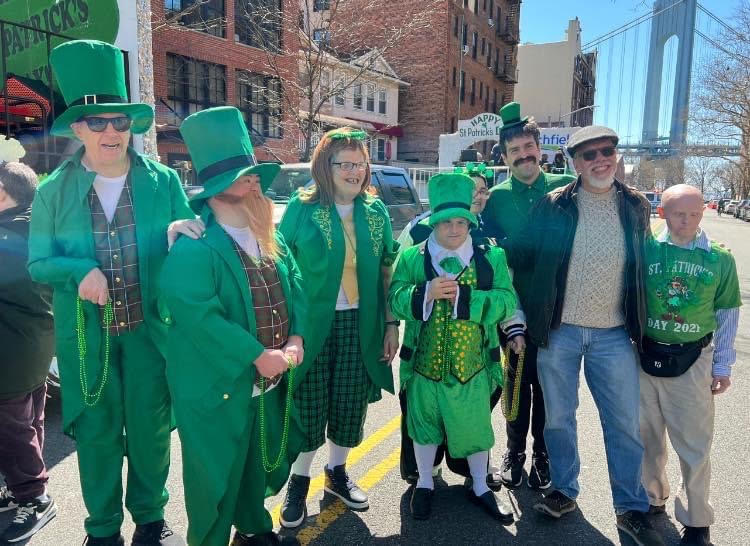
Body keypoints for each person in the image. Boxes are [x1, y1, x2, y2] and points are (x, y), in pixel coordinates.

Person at [27, 40, 202, 546]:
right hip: (87, 339)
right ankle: (102, 530)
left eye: (119, 122)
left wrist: (179, 240)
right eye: (97, 122)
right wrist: (78, 269)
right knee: (99, 438)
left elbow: (186, 243)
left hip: (149, 333)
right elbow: (38, 262)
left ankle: (150, 517)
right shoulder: (51, 191)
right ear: (78, 128)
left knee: (149, 434)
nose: (110, 131)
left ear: (131, 127)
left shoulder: (164, 180)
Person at [161, 107, 306, 546]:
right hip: (214, 387)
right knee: (214, 476)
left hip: (265, 379)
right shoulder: (194, 249)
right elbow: (199, 318)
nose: (257, 183)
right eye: (247, 178)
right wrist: (257, 356)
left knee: (252, 462)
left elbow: (295, 288)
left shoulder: (270, 236)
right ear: (220, 189)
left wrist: (296, 336)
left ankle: (254, 526)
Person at [512, 125, 664, 545]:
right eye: (591, 155)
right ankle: (564, 490)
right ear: (575, 163)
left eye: (607, 151)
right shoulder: (554, 205)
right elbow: (520, 253)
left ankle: (630, 508)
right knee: (558, 420)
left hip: (614, 334)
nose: (601, 160)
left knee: (623, 425)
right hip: (559, 331)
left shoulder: (635, 206)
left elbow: (647, 261)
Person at [277, 127, 399, 528]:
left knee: (348, 405)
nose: (353, 171)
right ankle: (299, 481)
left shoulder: (376, 212)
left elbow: (386, 272)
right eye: (344, 163)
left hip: (358, 323)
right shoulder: (302, 207)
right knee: (308, 405)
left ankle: (337, 473)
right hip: (310, 326)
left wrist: (390, 324)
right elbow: (277, 264)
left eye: (359, 164)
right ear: (324, 167)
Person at [388, 172, 517, 523]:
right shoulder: (414, 257)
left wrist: (468, 300)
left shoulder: (491, 257)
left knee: (475, 428)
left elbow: (507, 301)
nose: (455, 229)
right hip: (424, 366)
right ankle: (425, 484)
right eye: (447, 222)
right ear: (434, 223)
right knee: (423, 425)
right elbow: (395, 298)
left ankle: (479, 486)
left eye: (462, 221)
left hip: (472, 366)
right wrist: (423, 294)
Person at [639, 184, 740, 546]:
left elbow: (727, 313)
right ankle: (652, 499)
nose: (688, 221)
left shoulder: (719, 259)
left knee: (694, 445)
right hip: (646, 355)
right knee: (647, 438)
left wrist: (723, 366)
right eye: (679, 213)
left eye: (695, 213)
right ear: (662, 212)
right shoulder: (646, 248)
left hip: (694, 357)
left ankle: (697, 519)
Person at [482, 102, 576, 492]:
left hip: (560, 305)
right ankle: (514, 452)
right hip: (515, 307)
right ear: (505, 157)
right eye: (514, 151)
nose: (524, 155)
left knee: (549, 387)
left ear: (540, 148)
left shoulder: (566, 186)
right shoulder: (496, 197)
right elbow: (482, 244)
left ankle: (543, 455)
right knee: (517, 379)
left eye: (528, 147)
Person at [0, 153, 56, 543]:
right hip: (32, 346)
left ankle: (33, 498)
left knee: (11, 430)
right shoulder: (34, 227)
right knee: (29, 421)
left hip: (11, 351)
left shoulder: (8, 237)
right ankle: (24, 487)